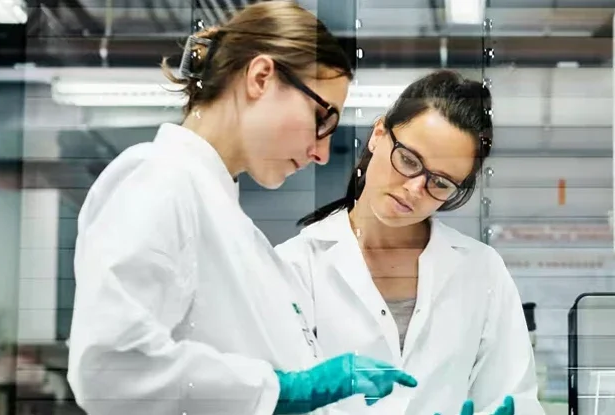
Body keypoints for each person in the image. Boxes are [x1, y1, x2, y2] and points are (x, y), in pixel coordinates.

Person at [66, 2, 417, 414]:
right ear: (261, 77)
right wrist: (288, 390)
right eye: (321, 119)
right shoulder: (160, 178)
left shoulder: (233, 226)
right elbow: (110, 367)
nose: (321, 153)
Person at [274, 70, 543, 415]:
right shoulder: (296, 266)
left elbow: (513, 398)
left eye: (440, 183)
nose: (415, 189)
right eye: (408, 160)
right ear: (378, 134)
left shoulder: (481, 270)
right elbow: (267, 398)